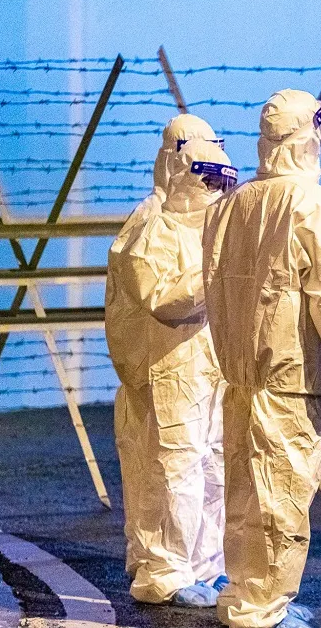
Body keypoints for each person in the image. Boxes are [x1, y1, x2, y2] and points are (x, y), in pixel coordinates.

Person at [203, 89, 321, 628]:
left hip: (239, 378)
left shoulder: (229, 206)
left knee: (243, 493)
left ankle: (243, 595)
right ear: (309, 135)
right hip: (288, 378)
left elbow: (215, 290)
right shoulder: (313, 206)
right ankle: (264, 607)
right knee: (282, 495)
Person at [107, 132, 234, 607]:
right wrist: (214, 274)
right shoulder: (152, 226)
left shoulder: (210, 228)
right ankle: (164, 571)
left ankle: (206, 565)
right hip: (169, 370)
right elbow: (161, 299)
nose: (215, 190)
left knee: (212, 467)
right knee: (172, 469)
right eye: (208, 180)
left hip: (208, 367)